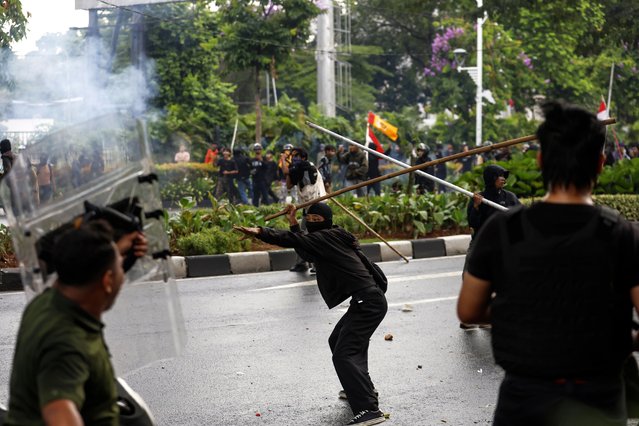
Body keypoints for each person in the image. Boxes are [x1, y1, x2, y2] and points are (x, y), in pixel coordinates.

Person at [457, 100, 639, 425]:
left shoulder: (503, 229)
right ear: (599, 163)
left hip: (524, 399)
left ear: (540, 160)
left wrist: (525, 312)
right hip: (599, 399)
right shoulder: (620, 233)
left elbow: (469, 311)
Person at [234, 203, 388, 426]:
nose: (313, 223)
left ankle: (369, 410)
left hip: (368, 301)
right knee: (337, 340)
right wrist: (294, 221)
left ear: (327, 220)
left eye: (318, 219)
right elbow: (305, 250)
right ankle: (363, 388)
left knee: (344, 354)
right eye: (310, 219)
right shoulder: (330, 237)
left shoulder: (327, 236)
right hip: (367, 300)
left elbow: (294, 240)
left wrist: (260, 231)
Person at [4, 220, 148, 426]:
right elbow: (59, 411)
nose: (122, 278)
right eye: (119, 268)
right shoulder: (66, 342)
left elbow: (83, 264)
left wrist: (112, 251)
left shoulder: (47, 302)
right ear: (107, 281)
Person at [285, 147, 325, 273]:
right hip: (307, 208)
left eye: (296, 155)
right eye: (292, 156)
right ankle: (302, 263)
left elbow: (309, 191)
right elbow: (289, 184)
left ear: (303, 157)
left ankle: (316, 264)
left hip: (316, 207)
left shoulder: (307, 168)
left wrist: (286, 165)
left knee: (310, 236)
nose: (294, 158)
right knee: (302, 234)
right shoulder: (299, 168)